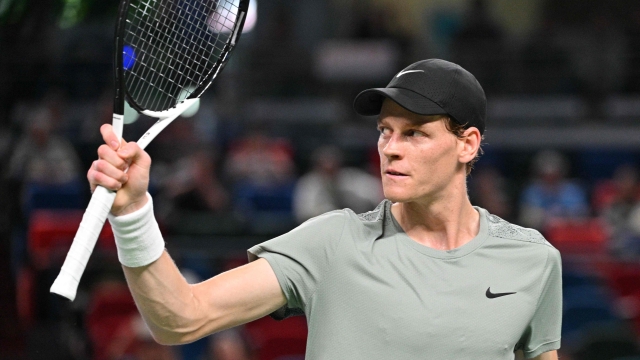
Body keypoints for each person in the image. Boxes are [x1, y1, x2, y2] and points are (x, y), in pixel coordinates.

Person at [88, 59, 562, 359]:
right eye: (384, 131)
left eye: (414, 132)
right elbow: (181, 319)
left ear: (467, 144)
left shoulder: (533, 260)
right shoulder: (330, 242)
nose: (390, 148)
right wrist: (133, 213)